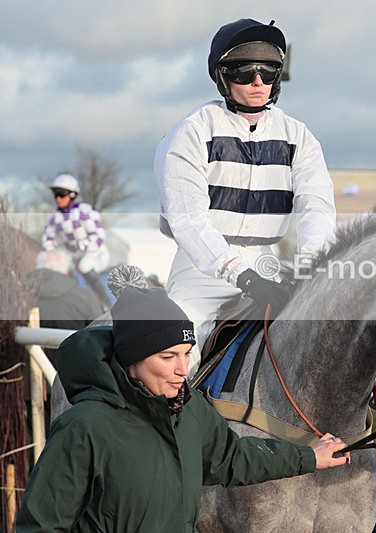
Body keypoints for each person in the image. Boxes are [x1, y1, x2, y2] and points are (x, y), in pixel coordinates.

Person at [16, 286, 349, 531]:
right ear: (132, 359)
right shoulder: (84, 427)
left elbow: (232, 457)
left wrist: (309, 457)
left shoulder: (189, 410)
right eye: (168, 357)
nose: (183, 369)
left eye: (187, 353)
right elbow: (41, 525)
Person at [154, 18, 336, 365]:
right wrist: (242, 277)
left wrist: (310, 270)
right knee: (177, 358)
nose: (258, 82)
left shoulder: (299, 137)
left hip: (268, 266)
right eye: (244, 72)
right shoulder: (191, 133)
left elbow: (318, 208)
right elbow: (188, 220)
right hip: (201, 274)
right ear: (223, 77)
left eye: (268, 72)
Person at [41, 173, 112, 308]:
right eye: (55, 194)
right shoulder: (54, 217)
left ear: (72, 195)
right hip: (74, 255)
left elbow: (98, 237)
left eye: (61, 194)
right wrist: (52, 252)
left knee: (84, 266)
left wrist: (80, 246)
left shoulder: (85, 211)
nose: (58, 198)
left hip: (95, 252)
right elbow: (48, 238)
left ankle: (107, 303)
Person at [26, 250, 103, 364]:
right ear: (66, 270)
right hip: (74, 369)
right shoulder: (84, 296)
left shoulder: (18, 294)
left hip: (27, 368)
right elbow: (101, 337)